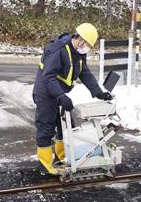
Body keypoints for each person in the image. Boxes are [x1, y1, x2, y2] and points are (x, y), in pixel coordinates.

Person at [32, 23, 113, 174]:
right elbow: (48, 76)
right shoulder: (58, 49)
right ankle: (45, 165)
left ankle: (62, 158)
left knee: (65, 126)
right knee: (46, 127)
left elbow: (85, 73)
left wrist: (98, 92)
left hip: (59, 93)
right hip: (46, 92)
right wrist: (61, 96)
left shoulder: (78, 52)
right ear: (80, 39)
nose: (88, 48)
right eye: (88, 44)